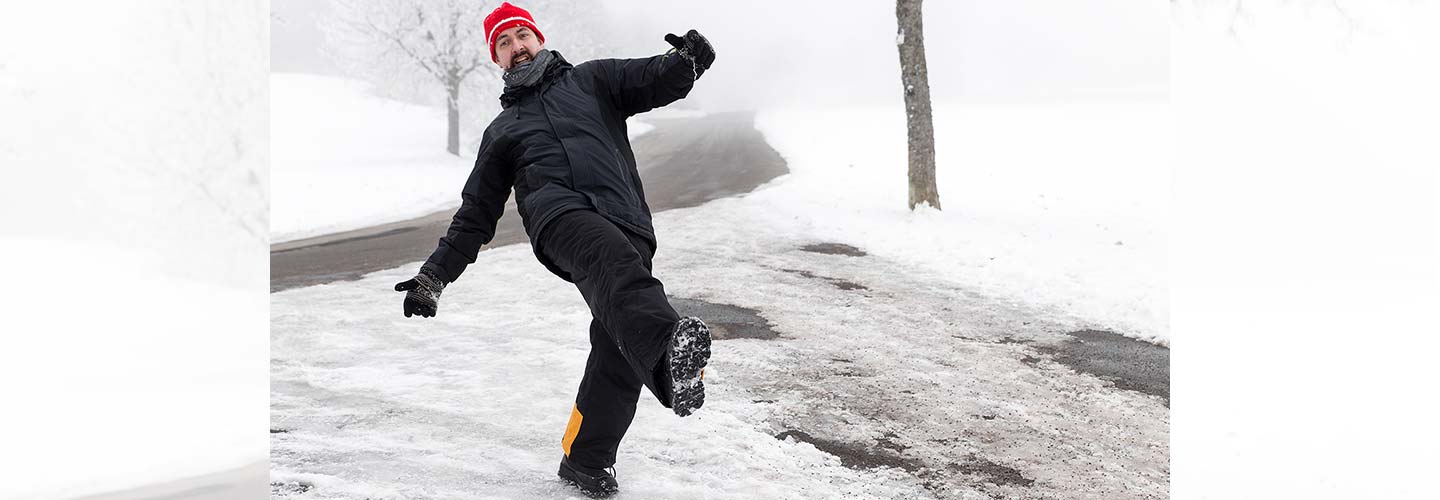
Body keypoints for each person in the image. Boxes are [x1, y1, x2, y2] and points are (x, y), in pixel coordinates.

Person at [391, 2, 716, 496]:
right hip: (559, 220)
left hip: (628, 221)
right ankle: (670, 349)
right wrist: (435, 275)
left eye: (521, 36)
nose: (516, 47)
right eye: (504, 43)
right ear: (495, 59)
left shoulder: (593, 81)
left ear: (538, 39)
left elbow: (650, 77)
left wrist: (686, 61)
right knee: (615, 270)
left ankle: (585, 459)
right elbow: (475, 213)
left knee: (617, 343)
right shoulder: (502, 132)